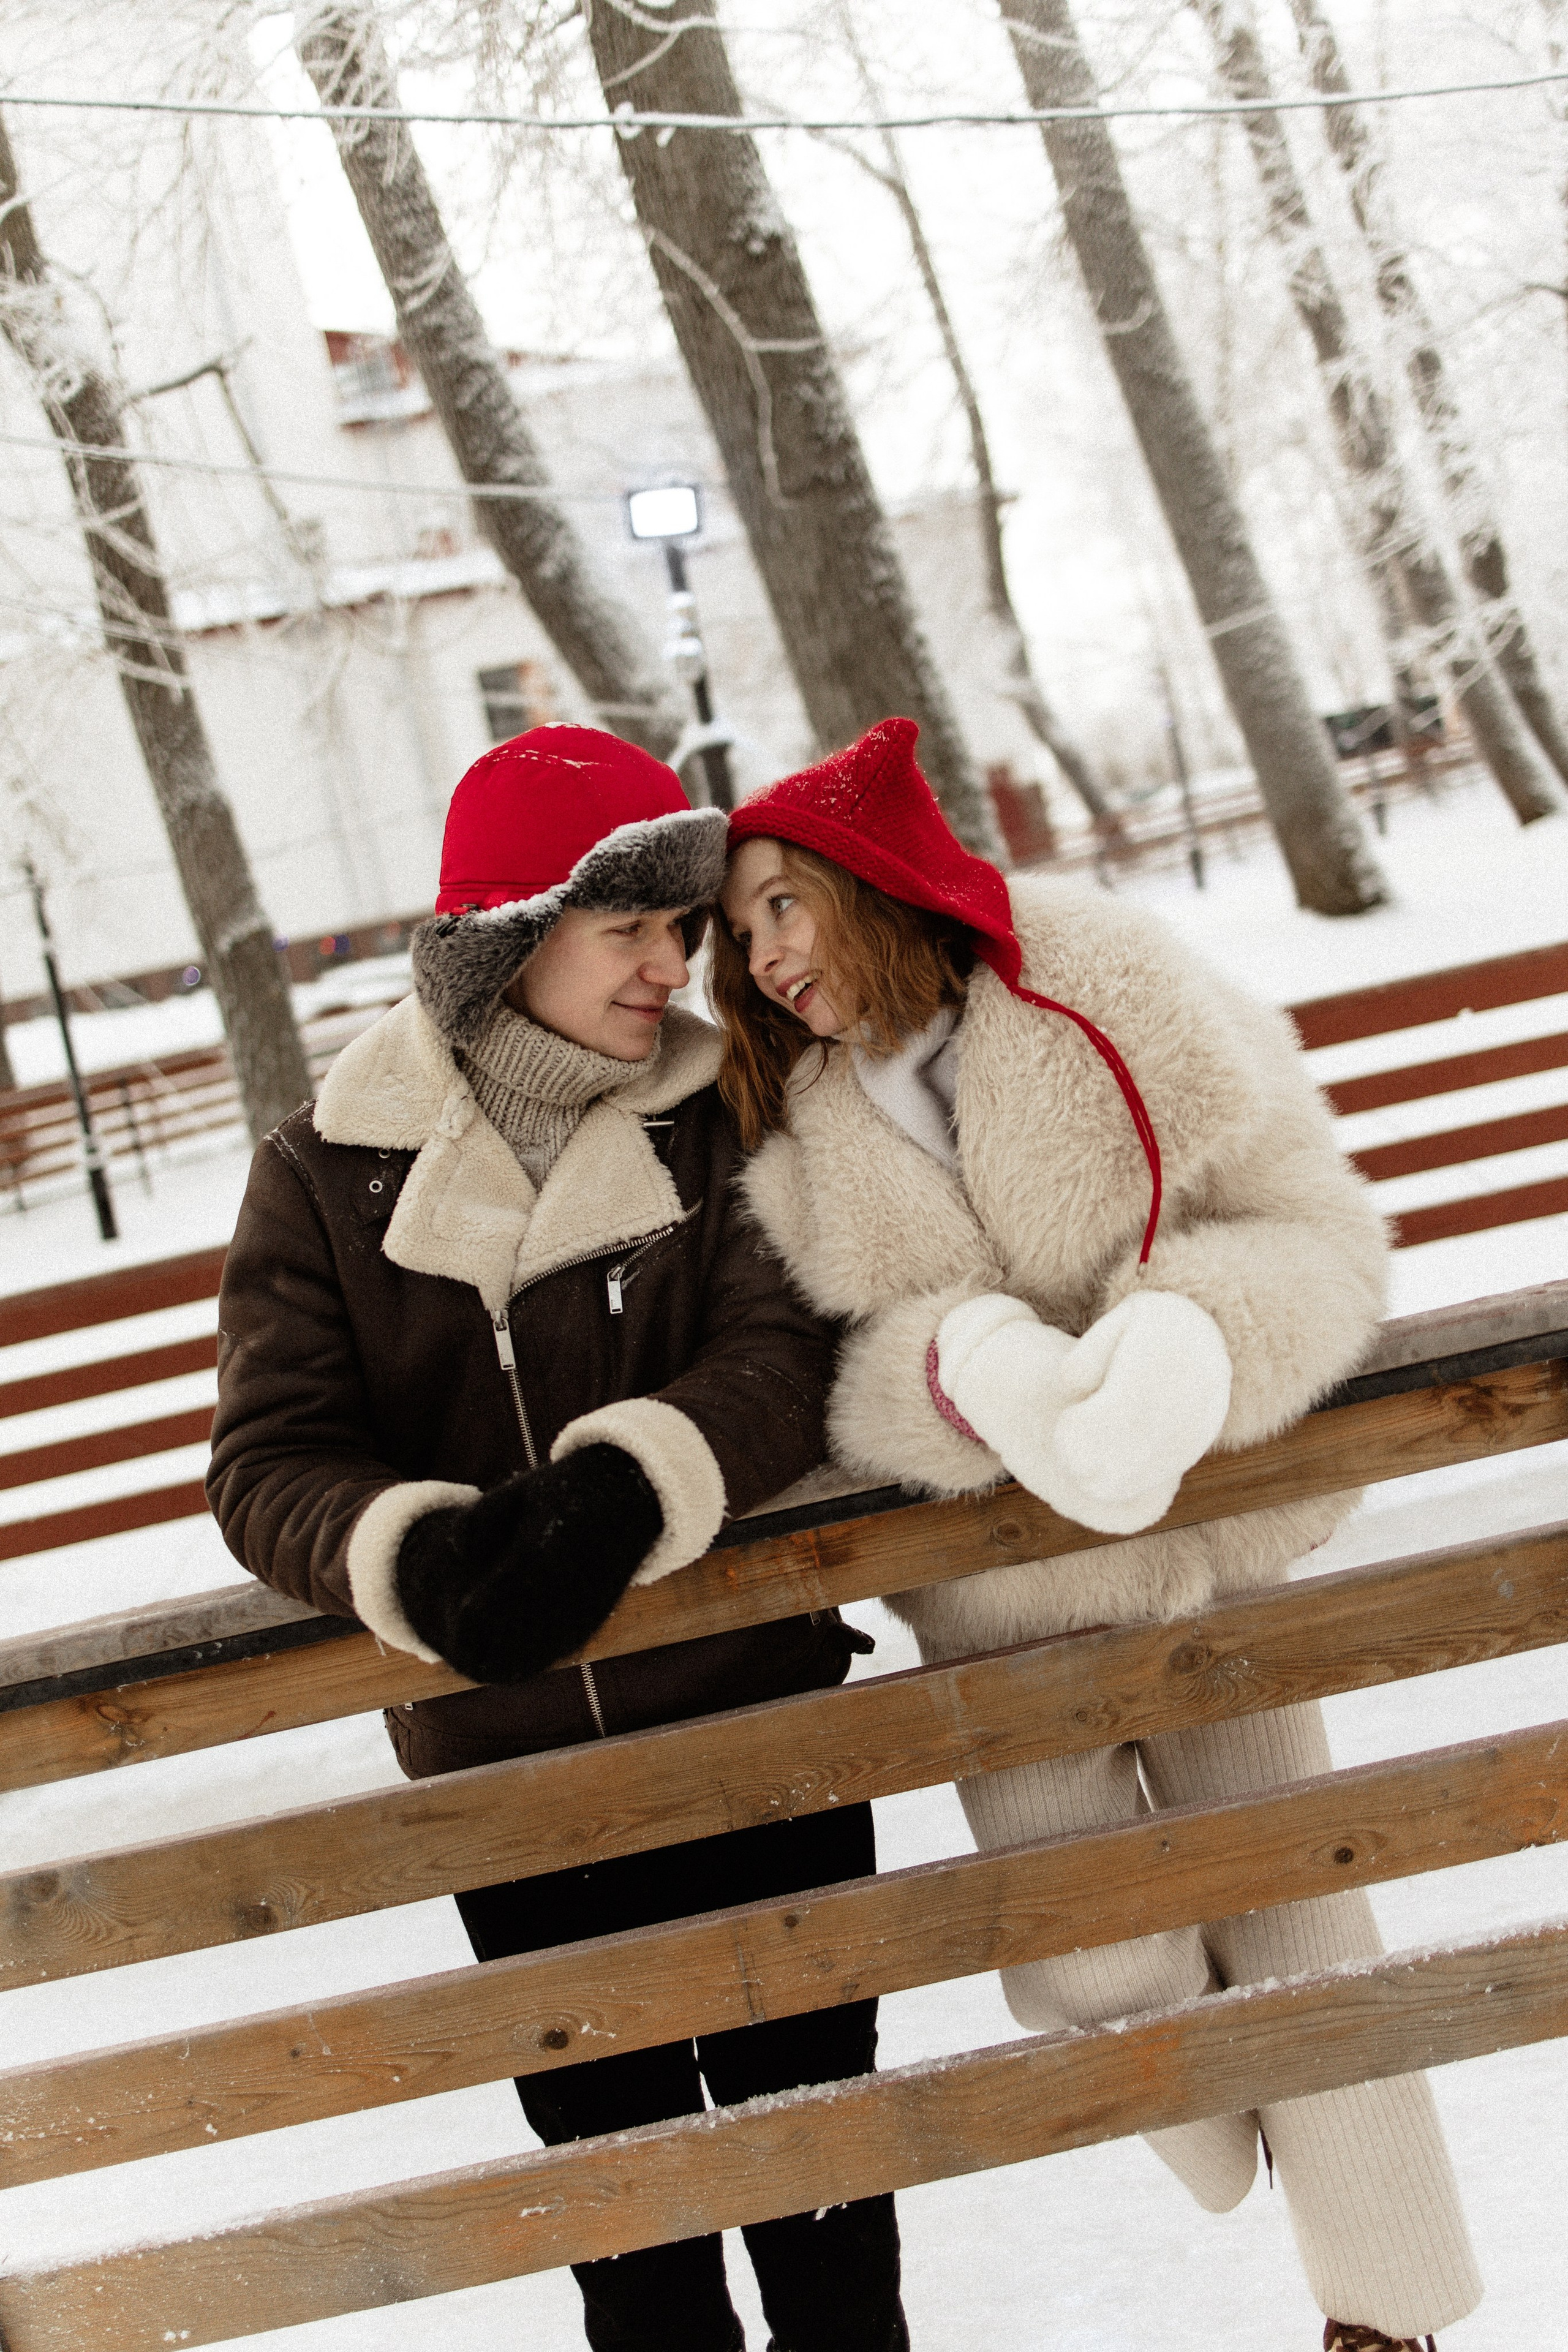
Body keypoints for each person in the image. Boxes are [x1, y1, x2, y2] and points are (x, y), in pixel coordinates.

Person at [713, 715, 1481, 2352]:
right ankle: (1209, 2103)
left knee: (1304, 1919)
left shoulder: (1113, 982)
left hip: (1216, 1542)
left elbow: (1319, 1230)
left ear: (878, 881)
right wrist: (957, 1368)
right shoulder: (788, 1124)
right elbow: (826, 1370)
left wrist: (1192, 1338)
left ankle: (1387, 2317)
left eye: (785, 902)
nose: (765, 954)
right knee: (1082, 1954)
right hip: (1007, 1604)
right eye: (742, 929)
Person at [206, 724, 910, 2352]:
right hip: (516, 1794)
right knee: (630, 2242)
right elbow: (270, 1454)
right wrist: (419, 1558)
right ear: (514, 937)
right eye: (632, 929)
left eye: (683, 927)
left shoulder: (721, 1115)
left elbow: (780, 1353)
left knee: (824, 2208)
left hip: (757, 1735)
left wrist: (625, 1487)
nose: (675, 964)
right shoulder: (322, 1176)